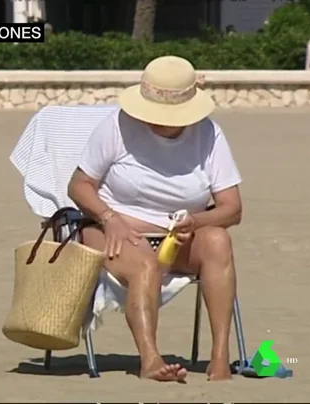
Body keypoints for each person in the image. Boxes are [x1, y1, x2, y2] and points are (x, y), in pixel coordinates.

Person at [68, 56, 242, 383]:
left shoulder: (208, 134)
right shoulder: (117, 127)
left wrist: (197, 221)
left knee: (218, 240)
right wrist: (108, 217)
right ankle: (150, 360)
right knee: (145, 265)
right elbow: (78, 185)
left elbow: (232, 208)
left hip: (179, 238)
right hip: (114, 231)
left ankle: (220, 356)